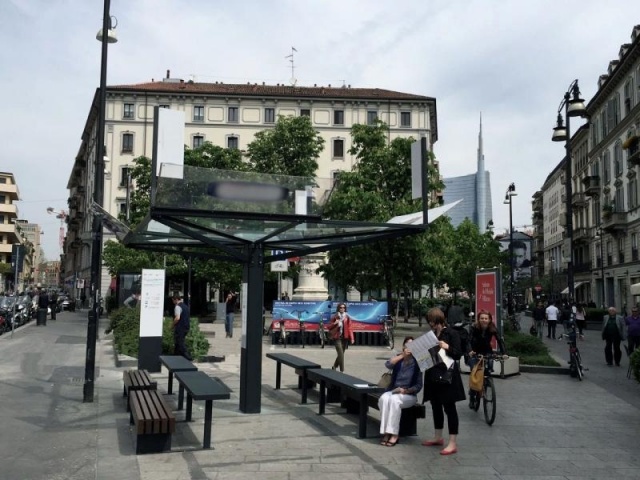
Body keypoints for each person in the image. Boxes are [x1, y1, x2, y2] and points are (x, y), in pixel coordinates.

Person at [421, 307, 465, 456]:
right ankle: (438, 436)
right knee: (435, 406)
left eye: (433, 321)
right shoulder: (431, 335)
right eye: (430, 322)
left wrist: (447, 347)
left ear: (439, 320)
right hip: (433, 375)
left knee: (449, 408)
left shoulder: (451, 333)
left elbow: (458, 353)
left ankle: (452, 442)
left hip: (447, 376)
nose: (431, 324)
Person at [378, 336, 423, 447]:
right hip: (394, 390)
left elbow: (418, 386)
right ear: (403, 347)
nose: (409, 348)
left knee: (394, 400)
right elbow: (388, 364)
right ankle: (386, 431)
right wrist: (402, 356)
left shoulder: (418, 363)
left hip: (408, 395)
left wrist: (406, 391)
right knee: (384, 398)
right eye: (407, 345)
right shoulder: (399, 360)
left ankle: (394, 433)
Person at [467, 310, 506, 408]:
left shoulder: (492, 328)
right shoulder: (473, 327)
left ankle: (486, 384)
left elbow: (499, 340)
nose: (484, 320)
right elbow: (468, 340)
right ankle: (472, 396)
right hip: (474, 352)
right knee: (474, 373)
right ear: (478, 319)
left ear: (489, 320)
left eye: (486, 318)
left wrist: (504, 353)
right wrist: (470, 350)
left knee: (488, 370)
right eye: (482, 318)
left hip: (487, 352)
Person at [327, 303, 355, 372]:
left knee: (341, 354)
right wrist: (335, 323)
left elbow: (350, 328)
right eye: (340, 307)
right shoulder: (335, 317)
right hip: (337, 337)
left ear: (345, 309)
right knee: (341, 354)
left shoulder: (347, 318)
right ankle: (342, 371)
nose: (342, 309)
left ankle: (334, 366)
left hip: (345, 338)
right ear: (338, 308)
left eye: (343, 307)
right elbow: (328, 327)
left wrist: (352, 338)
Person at [172, 295, 192, 360]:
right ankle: (175, 356)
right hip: (186, 326)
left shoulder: (177, 307)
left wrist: (172, 325)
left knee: (180, 342)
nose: (173, 302)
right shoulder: (185, 306)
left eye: (173, 300)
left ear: (176, 300)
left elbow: (177, 318)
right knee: (178, 342)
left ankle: (187, 356)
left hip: (180, 327)